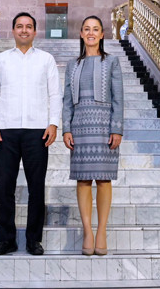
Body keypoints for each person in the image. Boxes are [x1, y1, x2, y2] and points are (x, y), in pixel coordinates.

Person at [0, 12, 61, 256]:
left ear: (35, 32)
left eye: (29, 26)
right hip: (5, 132)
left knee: (36, 187)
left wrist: (53, 124)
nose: (24, 30)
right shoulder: (2, 60)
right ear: (13, 31)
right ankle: (7, 240)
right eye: (20, 26)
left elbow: (54, 95)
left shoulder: (46, 60)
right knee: (5, 187)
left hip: (37, 132)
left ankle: (33, 240)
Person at [62, 16, 123, 256]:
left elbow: (119, 98)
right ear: (80, 33)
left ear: (101, 34)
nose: (90, 33)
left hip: (104, 126)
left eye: (95, 29)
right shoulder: (72, 65)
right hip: (79, 127)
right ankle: (88, 231)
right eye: (86, 29)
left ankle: (102, 231)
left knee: (104, 180)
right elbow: (67, 100)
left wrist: (116, 128)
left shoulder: (113, 62)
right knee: (83, 180)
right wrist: (66, 127)